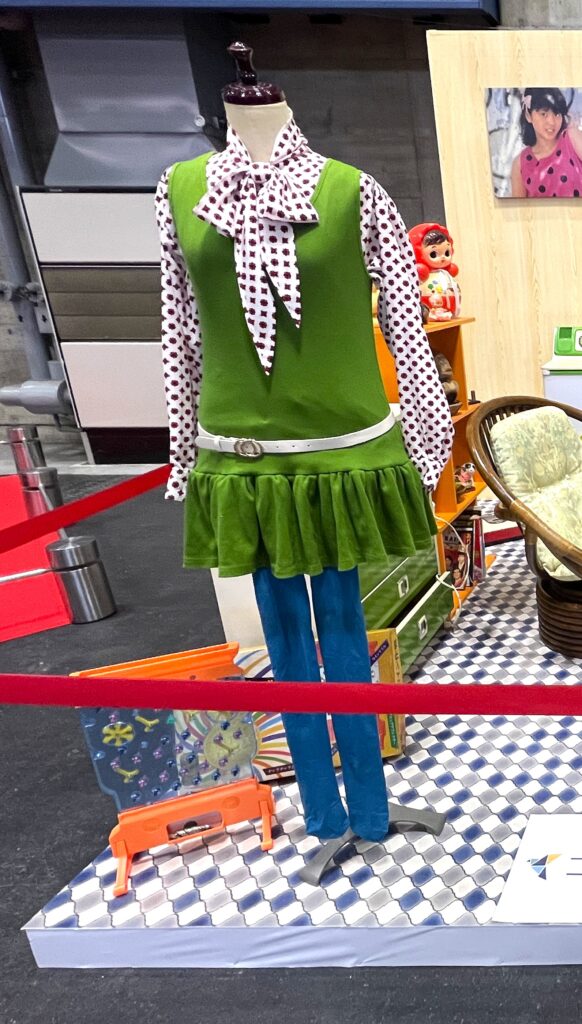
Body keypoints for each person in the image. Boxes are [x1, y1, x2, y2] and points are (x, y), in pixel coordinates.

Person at [511, 88, 582, 198]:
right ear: (528, 116)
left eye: (557, 114)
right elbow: (519, 208)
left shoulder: (572, 137)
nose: (552, 122)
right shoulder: (520, 164)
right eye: (543, 114)